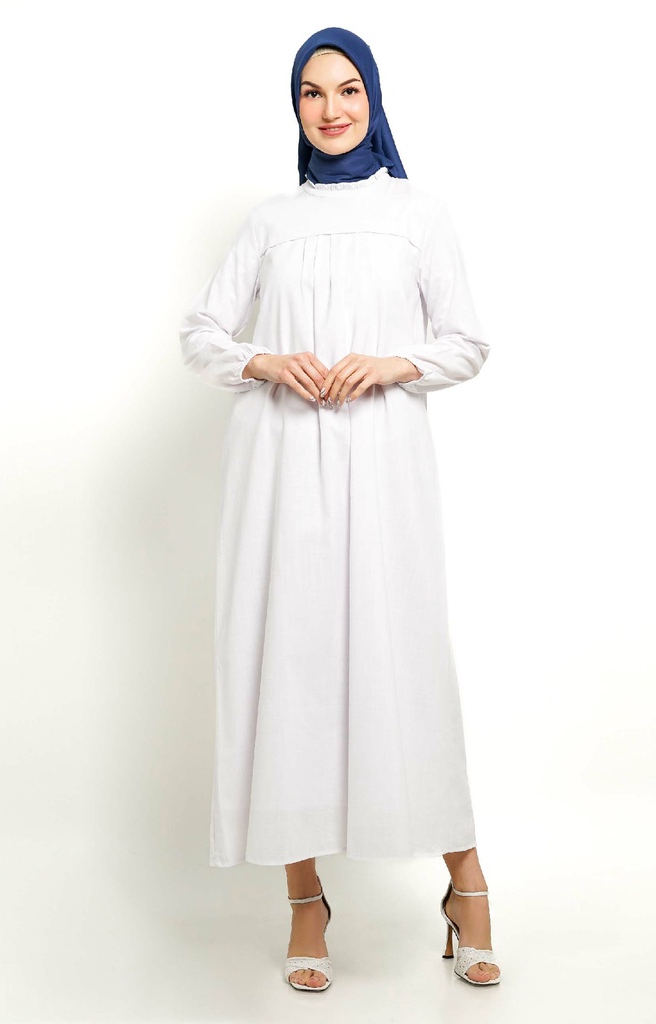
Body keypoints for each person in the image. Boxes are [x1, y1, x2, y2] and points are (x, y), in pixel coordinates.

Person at [178, 26, 501, 990]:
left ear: (374, 100)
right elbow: (200, 332)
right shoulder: (272, 221)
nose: (331, 109)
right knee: (292, 662)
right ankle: (304, 901)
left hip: (383, 466)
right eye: (312, 93)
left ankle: (468, 886)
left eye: (348, 89)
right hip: (280, 464)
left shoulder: (416, 213)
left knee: (403, 661)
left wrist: (392, 363)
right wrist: (266, 360)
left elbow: (467, 342)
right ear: (296, 107)